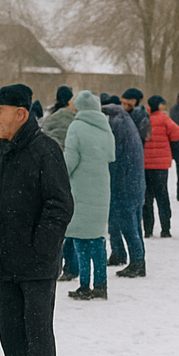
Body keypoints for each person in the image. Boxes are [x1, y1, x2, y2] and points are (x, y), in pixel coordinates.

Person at [0, 84, 74, 356]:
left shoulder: (45, 149)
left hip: (36, 263)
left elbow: (60, 205)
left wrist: (41, 247)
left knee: (37, 333)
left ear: (21, 114)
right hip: (7, 259)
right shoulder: (3, 148)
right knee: (11, 331)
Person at [63, 90, 115, 300]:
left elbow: (70, 160)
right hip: (101, 186)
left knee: (81, 239)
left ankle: (85, 285)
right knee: (97, 238)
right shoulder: (105, 126)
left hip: (81, 188)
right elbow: (111, 155)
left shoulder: (76, 126)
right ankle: (101, 285)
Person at [102, 94, 147, 278]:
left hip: (124, 180)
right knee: (129, 219)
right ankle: (122, 253)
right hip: (134, 179)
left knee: (128, 221)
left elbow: (113, 155)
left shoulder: (115, 124)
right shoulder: (125, 120)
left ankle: (137, 261)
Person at [142, 95, 179, 238]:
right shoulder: (165, 119)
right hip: (161, 166)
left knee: (147, 199)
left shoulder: (144, 120)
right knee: (162, 197)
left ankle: (148, 229)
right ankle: (165, 228)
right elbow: (176, 134)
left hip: (145, 165)